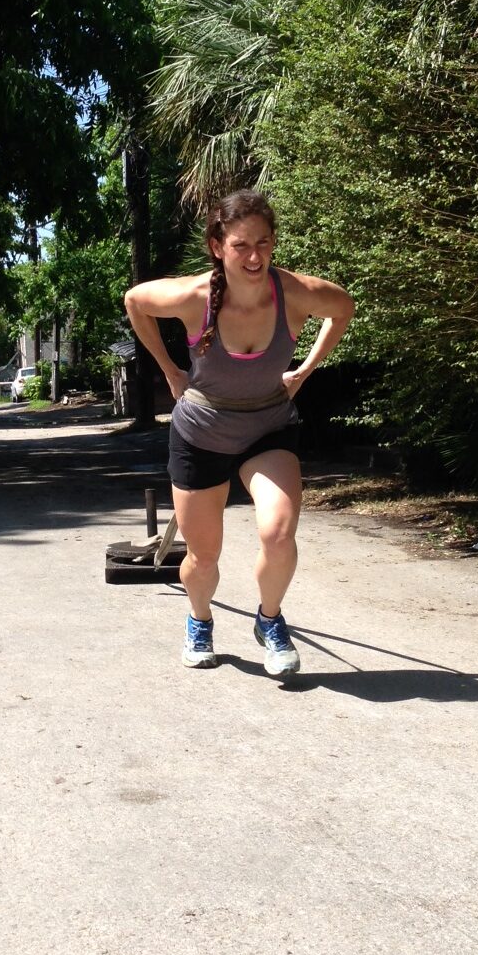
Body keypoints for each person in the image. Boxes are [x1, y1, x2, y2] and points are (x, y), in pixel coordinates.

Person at [124, 189, 354, 676]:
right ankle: (199, 620)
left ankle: (270, 622)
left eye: (264, 244)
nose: (254, 257)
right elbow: (134, 301)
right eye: (241, 245)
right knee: (204, 557)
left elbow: (343, 308)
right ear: (217, 246)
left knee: (278, 532)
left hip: (266, 428)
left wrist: (304, 372)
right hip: (200, 433)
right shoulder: (193, 298)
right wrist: (168, 369)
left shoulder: (292, 292)